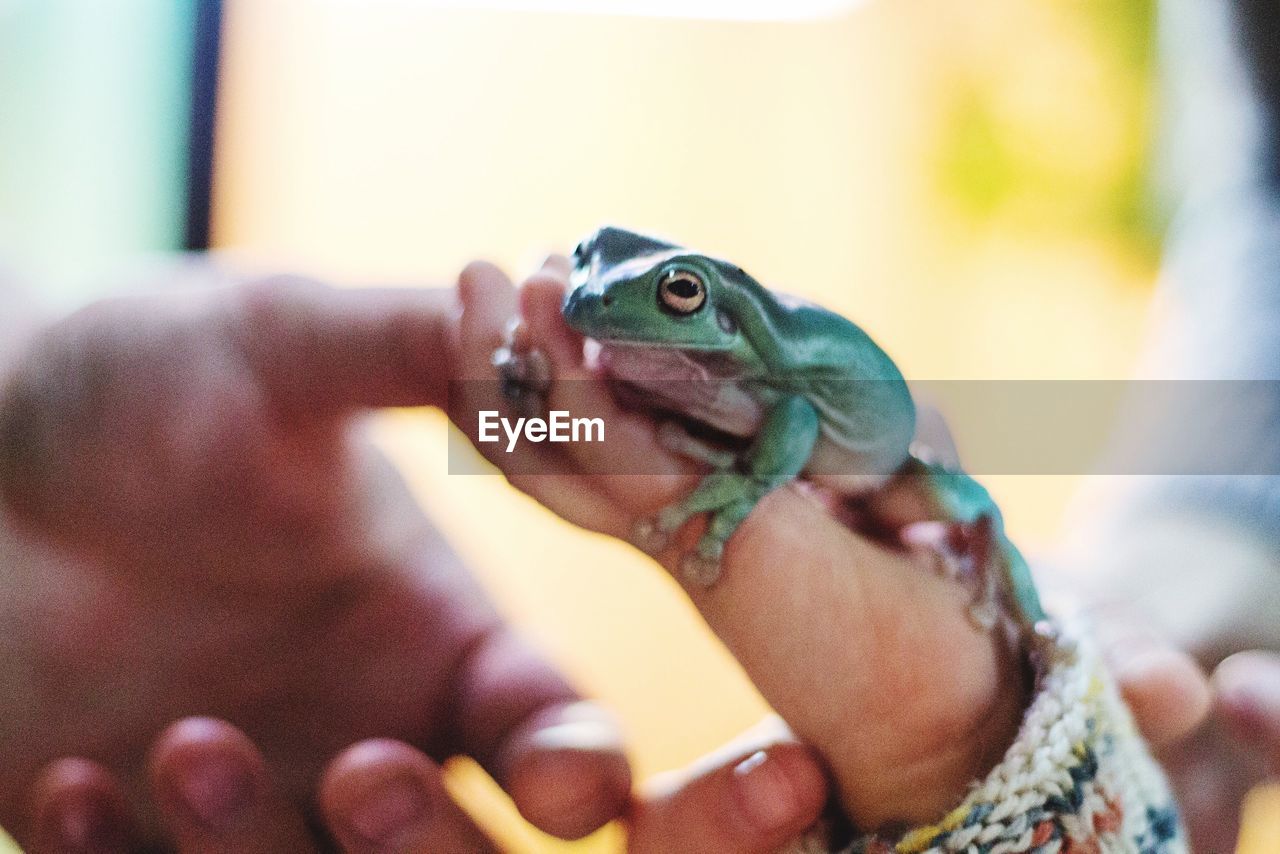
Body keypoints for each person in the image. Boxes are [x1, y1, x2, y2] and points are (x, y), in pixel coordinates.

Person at [0, 257, 1208, 853]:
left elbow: (773, 427)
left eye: (669, 295)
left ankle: (1005, 689)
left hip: (869, 461)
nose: (592, 302)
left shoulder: (751, 375)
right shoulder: (617, 387)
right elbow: (556, 423)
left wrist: (963, 739)